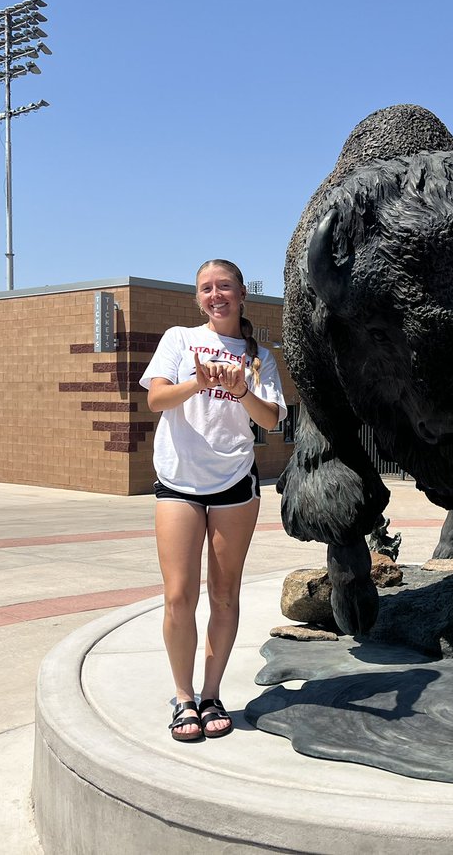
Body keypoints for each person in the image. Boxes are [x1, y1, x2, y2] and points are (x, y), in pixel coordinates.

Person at [139, 260, 287, 741]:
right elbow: (156, 401)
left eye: (225, 286)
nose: (216, 294)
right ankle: (183, 698)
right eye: (207, 288)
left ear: (242, 293)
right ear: (197, 297)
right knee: (179, 595)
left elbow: (270, 421)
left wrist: (241, 388)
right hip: (179, 481)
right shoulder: (178, 339)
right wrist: (198, 384)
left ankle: (211, 693)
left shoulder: (259, 354)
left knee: (224, 595)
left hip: (234, 486)